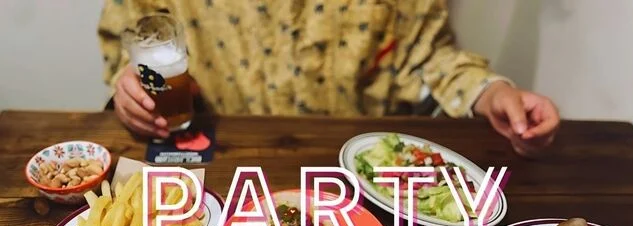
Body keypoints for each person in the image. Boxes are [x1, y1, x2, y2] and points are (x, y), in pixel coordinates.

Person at [99, 0, 560, 156]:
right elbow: (135, 30)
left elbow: (427, 54)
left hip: (359, 173)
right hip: (224, 159)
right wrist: (131, 85)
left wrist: (490, 92)